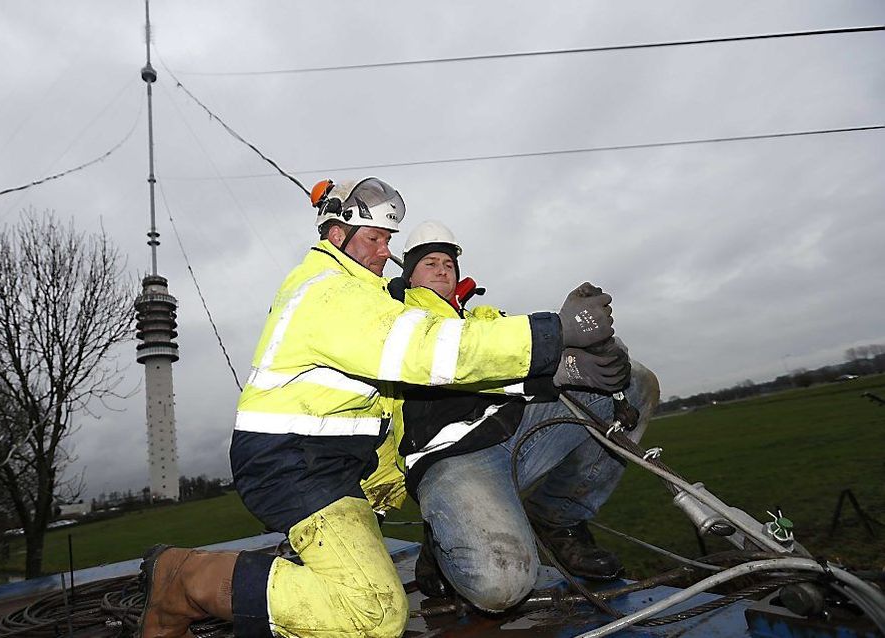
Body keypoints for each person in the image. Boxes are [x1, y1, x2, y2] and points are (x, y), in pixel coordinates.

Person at [137, 178, 617, 638]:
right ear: (337, 232)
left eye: (388, 240)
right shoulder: (330, 292)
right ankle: (187, 579)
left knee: (372, 595)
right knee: (375, 616)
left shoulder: (358, 294)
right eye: (375, 239)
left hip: (330, 466)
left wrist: (552, 369)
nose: (385, 252)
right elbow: (427, 351)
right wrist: (552, 332)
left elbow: (392, 410)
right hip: (295, 463)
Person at [389, 220, 660, 612]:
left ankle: (558, 519)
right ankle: (443, 537)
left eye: (449, 263)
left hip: (516, 433)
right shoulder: (398, 318)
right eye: (430, 262)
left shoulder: (482, 318)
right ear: (409, 273)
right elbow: (457, 357)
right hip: (452, 457)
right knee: (500, 586)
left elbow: (522, 346)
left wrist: (594, 346)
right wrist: (556, 355)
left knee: (634, 382)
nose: (443, 269)